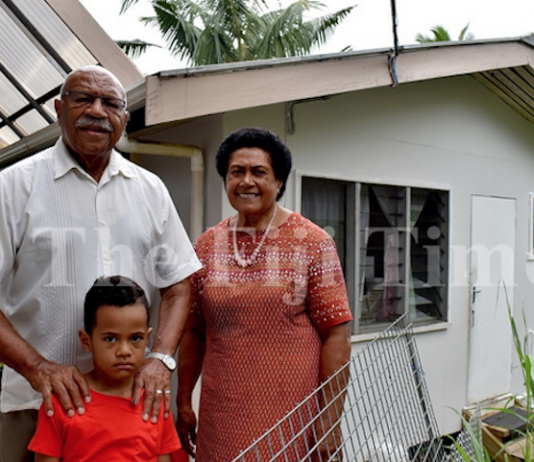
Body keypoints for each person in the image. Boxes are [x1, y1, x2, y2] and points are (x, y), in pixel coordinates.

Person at [0, 65, 202, 462]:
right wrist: (38, 368)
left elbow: (179, 284)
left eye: (110, 103)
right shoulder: (14, 186)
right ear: (59, 109)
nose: (97, 110)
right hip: (32, 401)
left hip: (131, 408)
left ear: (124, 119)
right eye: (83, 99)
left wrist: (161, 358)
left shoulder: (150, 189)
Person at [176, 127, 353, 462]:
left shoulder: (312, 242)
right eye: (236, 172)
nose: (246, 181)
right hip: (220, 417)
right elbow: (194, 330)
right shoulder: (206, 245)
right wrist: (183, 400)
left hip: (289, 417)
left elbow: (337, 334)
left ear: (279, 182)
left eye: (259, 172)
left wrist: (329, 422)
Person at [29, 275, 181, 462]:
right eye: (111, 339)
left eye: (135, 338)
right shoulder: (63, 401)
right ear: (86, 340)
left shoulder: (155, 402)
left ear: (147, 338)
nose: (124, 351)